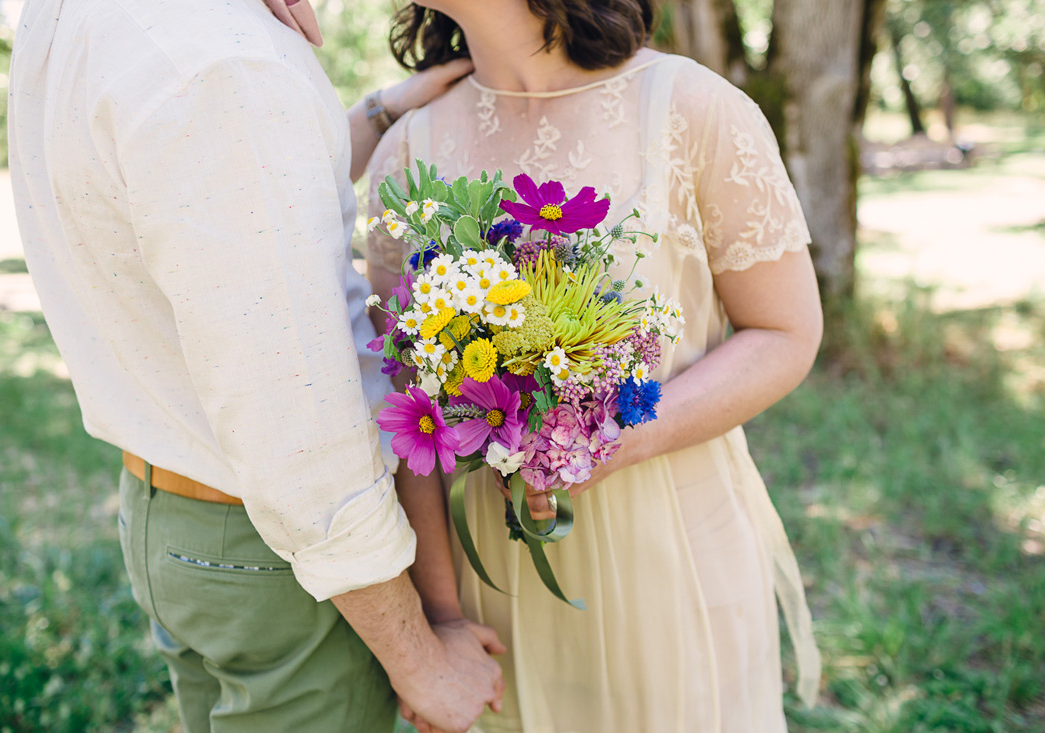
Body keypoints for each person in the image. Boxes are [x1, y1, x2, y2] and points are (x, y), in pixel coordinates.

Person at [7, 1, 502, 731]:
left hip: (166, 512)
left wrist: (378, 111)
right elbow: (297, 430)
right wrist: (419, 656)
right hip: (274, 553)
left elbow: (234, 199)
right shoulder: (220, 60)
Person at [349, 0, 825, 730]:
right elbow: (408, 413)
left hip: (673, 551)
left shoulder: (692, 109)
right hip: (494, 579)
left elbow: (785, 331)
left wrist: (621, 439)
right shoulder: (407, 152)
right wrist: (443, 617)